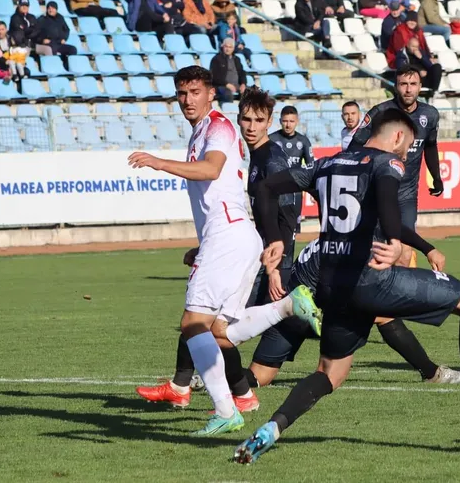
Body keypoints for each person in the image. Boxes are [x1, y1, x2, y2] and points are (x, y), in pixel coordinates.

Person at [235, 106, 460, 464]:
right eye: (407, 149)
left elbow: (266, 187)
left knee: (330, 373)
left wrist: (274, 240)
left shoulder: (326, 164)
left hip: (332, 287)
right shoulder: (386, 162)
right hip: (371, 279)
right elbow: (389, 195)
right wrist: (394, 239)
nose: (405, 157)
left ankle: (272, 428)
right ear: (398, 136)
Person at [127, 67, 322, 437]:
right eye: (182, 93)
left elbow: (211, 170)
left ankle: (221, 408)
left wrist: (158, 162)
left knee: (193, 324)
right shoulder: (205, 130)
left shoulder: (218, 126)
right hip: (234, 236)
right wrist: (205, 245)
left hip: (230, 237)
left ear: (211, 94)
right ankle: (284, 312)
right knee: (219, 331)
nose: (188, 100)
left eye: (195, 92)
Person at [270, 106, 315, 170]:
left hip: (296, 176)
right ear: (280, 121)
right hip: (276, 176)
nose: (288, 125)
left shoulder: (304, 141)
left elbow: (311, 166)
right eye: (285, 121)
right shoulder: (271, 139)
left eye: (291, 121)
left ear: (297, 121)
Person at [210, 38, 247, 103]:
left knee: (251, 92)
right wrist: (227, 84)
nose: (228, 49)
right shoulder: (216, 59)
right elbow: (214, 76)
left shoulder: (237, 59)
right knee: (227, 94)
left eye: (230, 47)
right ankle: (228, 109)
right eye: (226, 46)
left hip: (237, 85)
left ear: (233, 48)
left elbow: (242, 73)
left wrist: (243, 84)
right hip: (221, 86)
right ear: (223, 47)